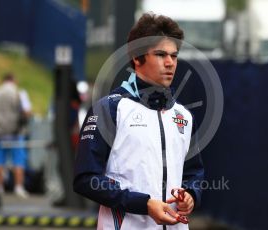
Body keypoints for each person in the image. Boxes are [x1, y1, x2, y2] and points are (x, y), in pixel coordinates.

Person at [73, 13, 204, 229]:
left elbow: (194, 172)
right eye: (161, 54)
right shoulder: (109, 109)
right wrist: (143, 204)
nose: (170, 62)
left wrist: (191, 194)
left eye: (174, 55)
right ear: (137, 57)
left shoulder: (184, 116)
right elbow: (86, 179)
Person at [0, 73, 31, 199]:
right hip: (15, 133)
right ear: (14, 80)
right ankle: (18, 187)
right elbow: (27, 111)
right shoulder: (19, 93)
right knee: (18, 161)